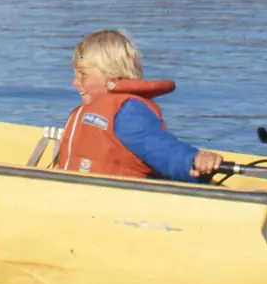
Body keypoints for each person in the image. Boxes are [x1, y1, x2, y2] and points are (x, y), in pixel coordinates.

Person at [56, 29, 223, 181]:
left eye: (83, 75)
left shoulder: (128, 111)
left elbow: (161, 149)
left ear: (111, 75)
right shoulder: (96, 109)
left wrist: (192, 160)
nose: (75, 83)